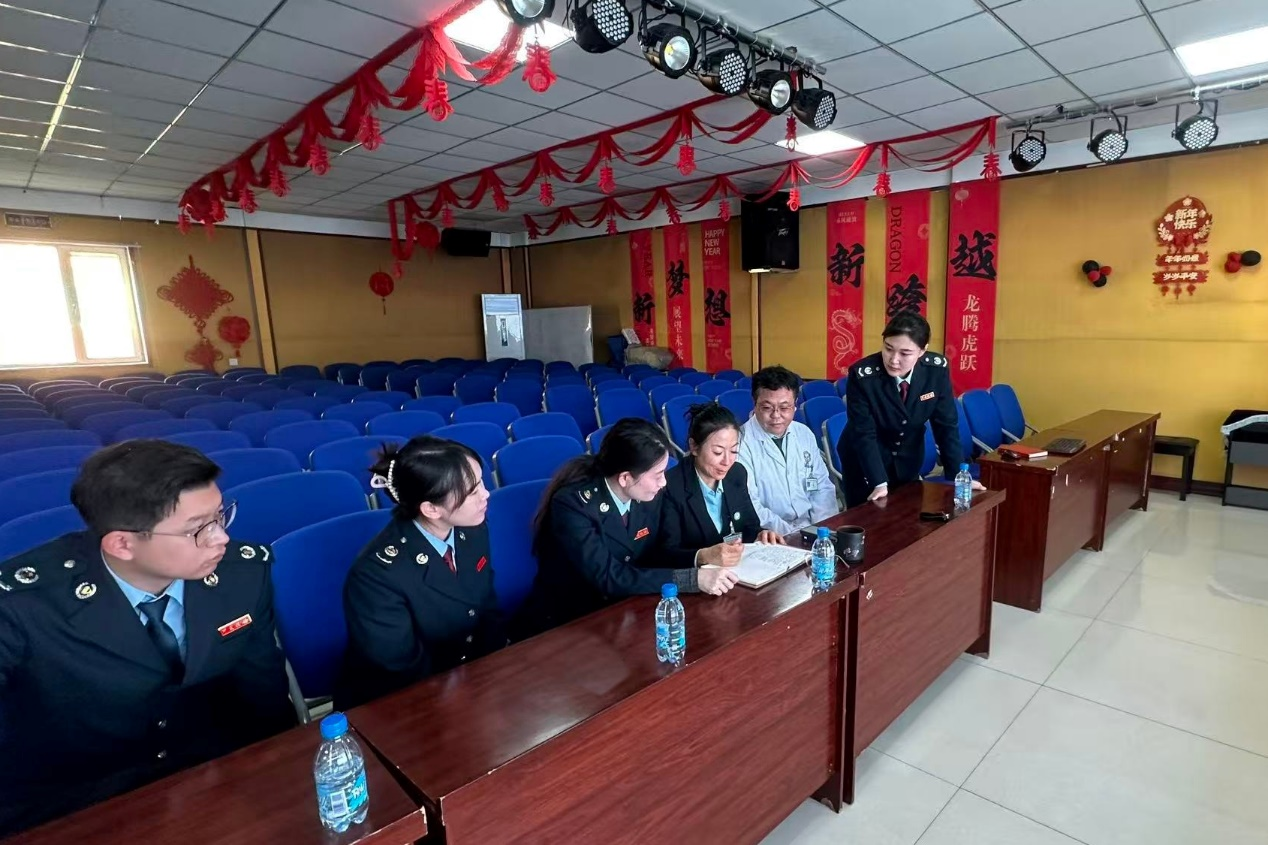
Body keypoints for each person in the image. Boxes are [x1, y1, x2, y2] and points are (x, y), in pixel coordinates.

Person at [0, 440, 295, 837]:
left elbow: (263, 693)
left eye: (220, 516)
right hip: (77, 802)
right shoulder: (21, 607)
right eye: (197, 529)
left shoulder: (242, 573)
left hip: (207, 773)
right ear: (122, 544)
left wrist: (285, 778)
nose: (220, 539)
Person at [521, 418, 739, 636]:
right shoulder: (574, 505)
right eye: (657, 475)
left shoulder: (647, 494)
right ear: (625, 478)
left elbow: (659, 552)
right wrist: (692, 579)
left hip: (629, 607)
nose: (664, 482)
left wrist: (702, 557)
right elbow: (610, 577)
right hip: (573, 619)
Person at [337, 436, 506, 709]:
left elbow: (486, 605)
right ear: (430, 509)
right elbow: (400, 670)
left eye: (482, 483)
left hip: (469, 683)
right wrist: (471, 694)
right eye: (473, 491)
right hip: (405, 703)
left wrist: (498, 670)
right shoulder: (376, 575)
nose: (486, 495)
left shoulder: (472, 528)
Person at [837, 312, 985, 508]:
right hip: (865, 461)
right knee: (867, 517)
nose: (893, 360)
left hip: (908, 455)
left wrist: (958, 476)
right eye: (888, 348)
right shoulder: (863, 376)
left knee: (907, 516)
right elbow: (863, 432)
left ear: (922, 351)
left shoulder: (935, 371)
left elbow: (946, 426)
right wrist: (878, 482)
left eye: (905, 353)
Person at [657, 403, 784, 568]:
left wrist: (761, 535)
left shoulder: (736, 473)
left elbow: (749, 526)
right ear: (694, 446)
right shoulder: (671, 486)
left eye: (734, 451)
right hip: (698, 576)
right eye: (717, 452)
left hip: (737, 571)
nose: (727, 461)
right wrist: (702, 556)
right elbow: (665, 554)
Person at [736, 365, 838, 535]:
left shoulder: (803, 433)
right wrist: (792, 535)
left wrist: (821, 529)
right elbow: (750, 502)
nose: (776, 415)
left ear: (795, 405)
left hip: (813, 527)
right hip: (770, 534)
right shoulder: (740, 442)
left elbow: (821, 486)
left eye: (784, 408)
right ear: (755, 404)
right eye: (767, 408)